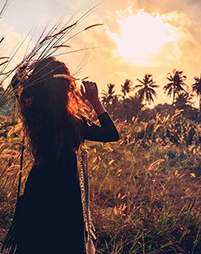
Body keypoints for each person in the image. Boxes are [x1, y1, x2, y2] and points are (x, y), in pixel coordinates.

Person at [8, 57, 119, 253]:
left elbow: (16, 84)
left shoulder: (33, 113)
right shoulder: (75, 122)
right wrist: (95, 101)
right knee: (64, 243)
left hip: (39, 188)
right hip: (66, 191)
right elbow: (111, 134)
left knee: (35, 242)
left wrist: (25, 70)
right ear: (67, 86)